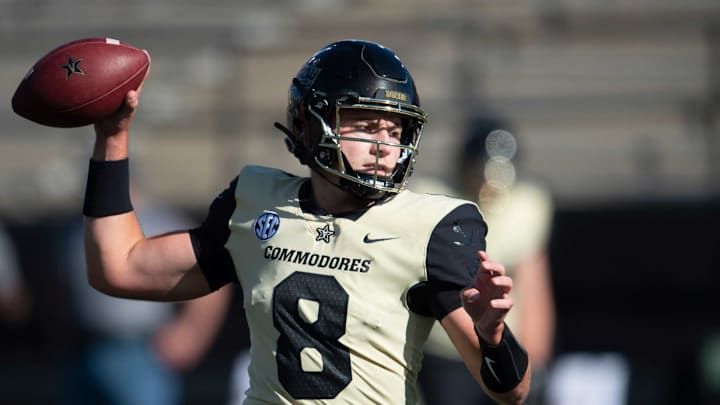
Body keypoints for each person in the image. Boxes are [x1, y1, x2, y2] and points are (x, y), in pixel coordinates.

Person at [81, 39, 530, 405]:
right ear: (311, 123)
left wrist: (492, 336)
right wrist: (112, 138)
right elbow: (118, 268)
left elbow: (511, 392)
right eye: (365, 126)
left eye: (394, 132)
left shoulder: (433, 226)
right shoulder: (257, 202)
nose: (383, 146)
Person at [412, 115, 556, 405]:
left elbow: (533, 286)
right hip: (446, 351)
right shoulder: (428, 199)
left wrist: (535, 361)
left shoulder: (527, 206)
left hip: (503, 345)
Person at [58, 188, 233, 405]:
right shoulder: (74, 226)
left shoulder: (161, 222)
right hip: (85, 346)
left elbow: (212, 277)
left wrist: (191, 333)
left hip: (142, 348)